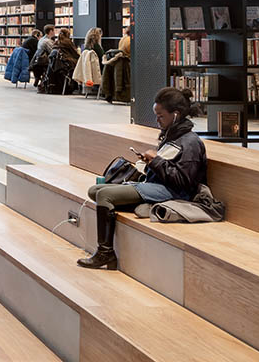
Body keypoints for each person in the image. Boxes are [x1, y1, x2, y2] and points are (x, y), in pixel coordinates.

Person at [78, 87, 207, 270]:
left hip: (174, 192)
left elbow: (184, 181)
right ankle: (145, 207)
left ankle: (105, 253)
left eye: (161, 116)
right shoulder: (173, 135)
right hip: (157, 185)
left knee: (104, 195)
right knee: (95, 191)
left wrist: (156, 160)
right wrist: (152, 161)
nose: (157, 120)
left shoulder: (190, 142)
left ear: (175, 115)